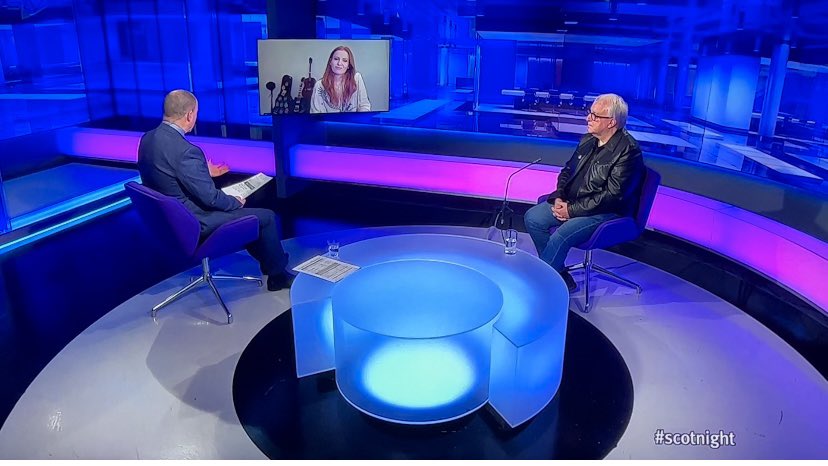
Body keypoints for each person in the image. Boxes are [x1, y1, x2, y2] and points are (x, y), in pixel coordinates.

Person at [137, 90, 292, 291]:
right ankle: (278, 276)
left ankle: (272, 261)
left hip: (168, 221)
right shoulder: (186, 151)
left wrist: (203, 171)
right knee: (266, 217)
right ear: (189, 115)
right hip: (194, 221)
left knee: (248, 215)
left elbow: (167, 172)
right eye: (196, 113)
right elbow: (210, 198)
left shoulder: (148, 139)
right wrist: (235, 201)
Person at [523, 93, 645, 292]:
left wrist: (571, 210)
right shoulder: (588, 139)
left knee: (562, 234)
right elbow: (567, 170)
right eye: (590, 113)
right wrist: (560, 196)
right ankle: (559, 274)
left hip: (608, 211)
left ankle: (541, 286)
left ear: (611, 122)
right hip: (575, 202)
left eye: (595, 116)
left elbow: (612, 197)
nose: (588, 118)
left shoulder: (628, 151)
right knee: (533, 217)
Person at [310, 46, 371, 113]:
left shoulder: (357, 78)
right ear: (330, 62)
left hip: (354, 120)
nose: (339, 63)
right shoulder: (319, 85)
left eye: (344, 60)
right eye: (336, 59)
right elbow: (315, 113)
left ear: (348, 65)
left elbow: (364, 106)